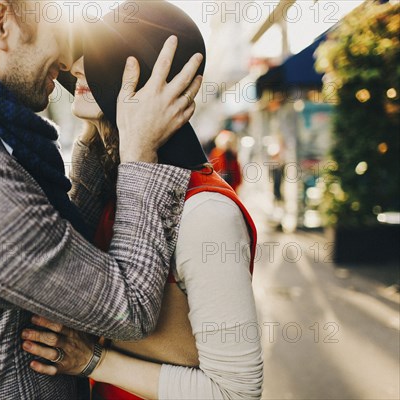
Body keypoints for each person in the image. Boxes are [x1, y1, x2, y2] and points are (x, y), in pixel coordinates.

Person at [0, 0, 204, 398]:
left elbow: (60, 247)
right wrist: (139, 152)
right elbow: (130, 308)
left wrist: (103, 128)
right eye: (59, 30)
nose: (68, 60)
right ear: (1, 25)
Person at [20, 2, 264, 399]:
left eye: (101, 58)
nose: (77, 67)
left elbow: (235, 392)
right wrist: (101, 134)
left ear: (150, 75)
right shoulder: (121, 190)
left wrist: (95, 360)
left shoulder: (206, 213)